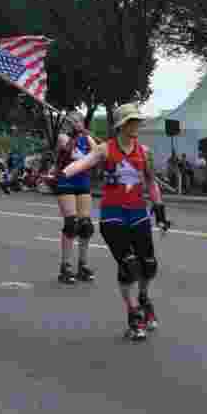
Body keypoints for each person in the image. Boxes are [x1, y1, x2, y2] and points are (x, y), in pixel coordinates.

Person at [61, 102, 171, 341]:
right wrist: (63, 173)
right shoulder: (105, 149)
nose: (136, 125)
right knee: (129, 266)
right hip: (113, 216)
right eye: (131, 121)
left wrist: (160, 210)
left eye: (137, 121)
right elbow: (83, 162)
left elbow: (151, 183)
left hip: (139, 214)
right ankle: (133, 314)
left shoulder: (145, 152)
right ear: (121, 125)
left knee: (148, 266)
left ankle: (143, 298)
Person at [54, 111, 98, 284]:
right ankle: (65, 266)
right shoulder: (63, 137)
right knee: (71, 224)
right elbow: (68, 151)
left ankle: (82, 264)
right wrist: (76, 134)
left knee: (85, 226)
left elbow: (97, 154)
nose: (77, 123)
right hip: (66, 183)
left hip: (83, 183)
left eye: (79, 121)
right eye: (74, 121)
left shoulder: (86, 138)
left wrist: (87, 136)